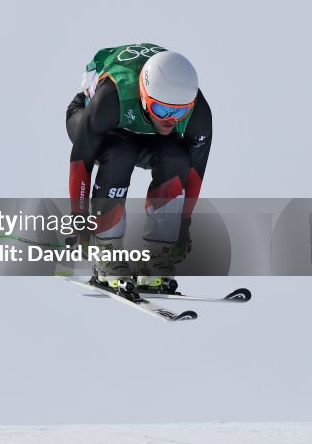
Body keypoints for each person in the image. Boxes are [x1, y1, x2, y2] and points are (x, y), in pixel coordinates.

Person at [65, 44, 212, 294]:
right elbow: (81, 160)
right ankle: (106, 250)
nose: (170, 119)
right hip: (96, 118)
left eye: (180, 112)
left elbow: (195, 174)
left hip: (144, 129)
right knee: (120, 152)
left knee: (176, 159)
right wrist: (78, 215)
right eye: (162, 109)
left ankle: (156, 256)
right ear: (144, 94)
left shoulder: (198, 111)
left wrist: (184, 225)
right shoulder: (111, 97)